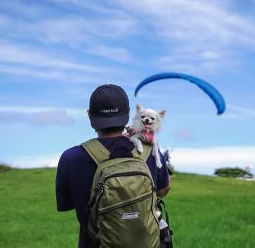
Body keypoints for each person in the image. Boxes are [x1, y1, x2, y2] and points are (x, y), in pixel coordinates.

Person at [56, 84, 170, 248]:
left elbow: (66, 204)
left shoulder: (71, 158)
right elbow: (162, 190)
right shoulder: (149, 151)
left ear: (89, 115)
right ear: (128, 114)